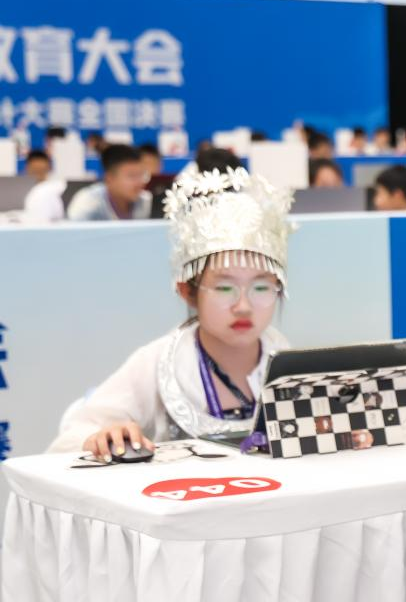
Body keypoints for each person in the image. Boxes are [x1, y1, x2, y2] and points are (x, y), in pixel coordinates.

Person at [49, 167, 294, 456]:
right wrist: (101, 436)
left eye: (261, 288)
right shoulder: (158, 362)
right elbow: (75, 433)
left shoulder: (285, 360)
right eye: (225, 288)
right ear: (187, 291)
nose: (243, 306)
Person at [65, 144, 152, 221]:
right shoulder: (87, 204)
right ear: (109, 179)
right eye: (131, 176)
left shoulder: (146, 202)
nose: (139, 182)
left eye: (141, 175)